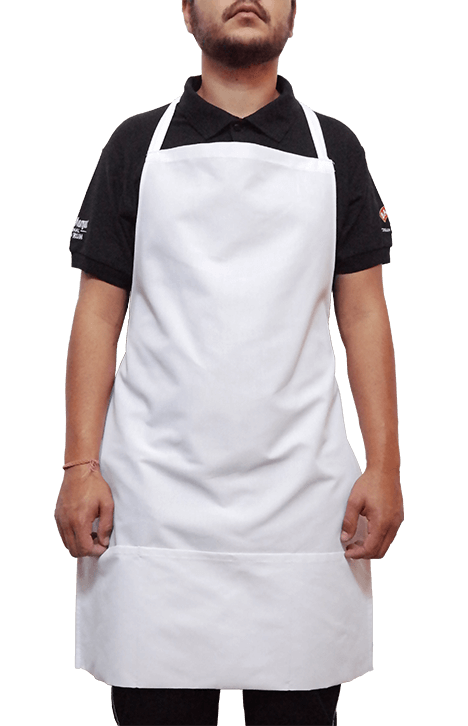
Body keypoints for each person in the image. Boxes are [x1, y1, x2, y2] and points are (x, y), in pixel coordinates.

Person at [55, 1, 404, 724]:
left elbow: (364, 313)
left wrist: (386, 467)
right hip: (152, 505)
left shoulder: (336, 149)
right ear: (187, 11)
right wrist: (79, 466)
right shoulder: (134, 144)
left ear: (295, 12)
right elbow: (97, 315)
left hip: (302, 505)